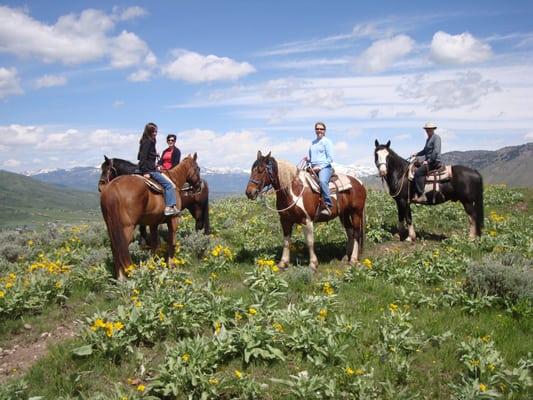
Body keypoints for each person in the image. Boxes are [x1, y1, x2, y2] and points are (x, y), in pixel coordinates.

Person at [137, 122, 180, 216]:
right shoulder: (149, 142)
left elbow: (140, 156)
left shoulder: (145, 141)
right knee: (169, 185)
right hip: (150, 170)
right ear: (149, 132)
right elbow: (142, 157)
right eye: (153, 131)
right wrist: (146, 171)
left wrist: (154, 161)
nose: (155, 133)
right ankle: (169, 207)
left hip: (151, 168)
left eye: (156, 131)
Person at [306, 121, 334, 216]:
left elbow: (330, 158)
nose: (319, 130)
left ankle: (327, 204)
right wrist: (308, 160)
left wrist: (320, 167)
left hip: (325, 168)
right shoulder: (312, 143)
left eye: (321, 129)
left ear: (324, 131)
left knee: (322, 181)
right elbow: (312, 158)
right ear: (315, 130)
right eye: (317, 129)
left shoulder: (327, 142)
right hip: (313, 168)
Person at [411, 122, 442, 202]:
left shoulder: (436, 138)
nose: (428, 131)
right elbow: (425, 151)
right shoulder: (428, 139)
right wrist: (416, 154)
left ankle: (421, 195)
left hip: (434, 161)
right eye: (427, 129)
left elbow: (436, 151)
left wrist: (428, 161)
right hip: (429, 161)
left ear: (433, 129)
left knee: (418, 173)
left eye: (429, 129)